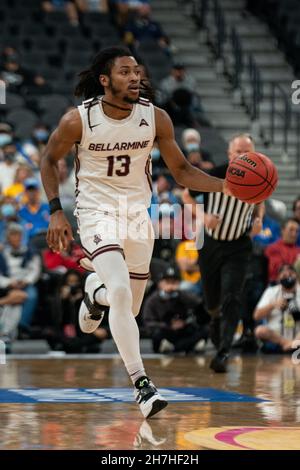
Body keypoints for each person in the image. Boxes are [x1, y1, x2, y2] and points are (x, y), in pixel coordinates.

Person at [40, 46, 226, 418]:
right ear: (105, 80)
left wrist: (228, 186)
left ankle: (95, 293)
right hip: (96, 214)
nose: (135, 78)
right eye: (125, 72)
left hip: (138, 215)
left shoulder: (155, 118)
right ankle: (143, 386)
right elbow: (49, 159)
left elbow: (184, 172)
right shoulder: (79, 120)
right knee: (123, 292)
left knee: (130, 304)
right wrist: (56, 212)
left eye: (137, 72)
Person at [188, 133, 264, 372]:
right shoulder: (216, 173)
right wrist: (203, 216)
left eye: (247, 152)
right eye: (239, 152)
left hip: (239, 245)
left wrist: (259, 218)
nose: (243, 156)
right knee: (212, 300)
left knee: (232, 296)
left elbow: (261, 200)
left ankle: (223, 352)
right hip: (211, 242)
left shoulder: (261, 176)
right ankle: (214, 318)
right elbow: (186, 195)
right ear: (230, 155)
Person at [254, 264, 300, 352]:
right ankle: (288, 344)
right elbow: (256, 316)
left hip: (298, 337)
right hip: (276, 341)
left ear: (296, 276)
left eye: (290, 274)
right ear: (278, 279)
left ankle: (291, 344)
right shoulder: (271, 291)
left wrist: (295, 309)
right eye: (284, 275)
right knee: (259, 330)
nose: (288, 277)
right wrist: (272, 305)